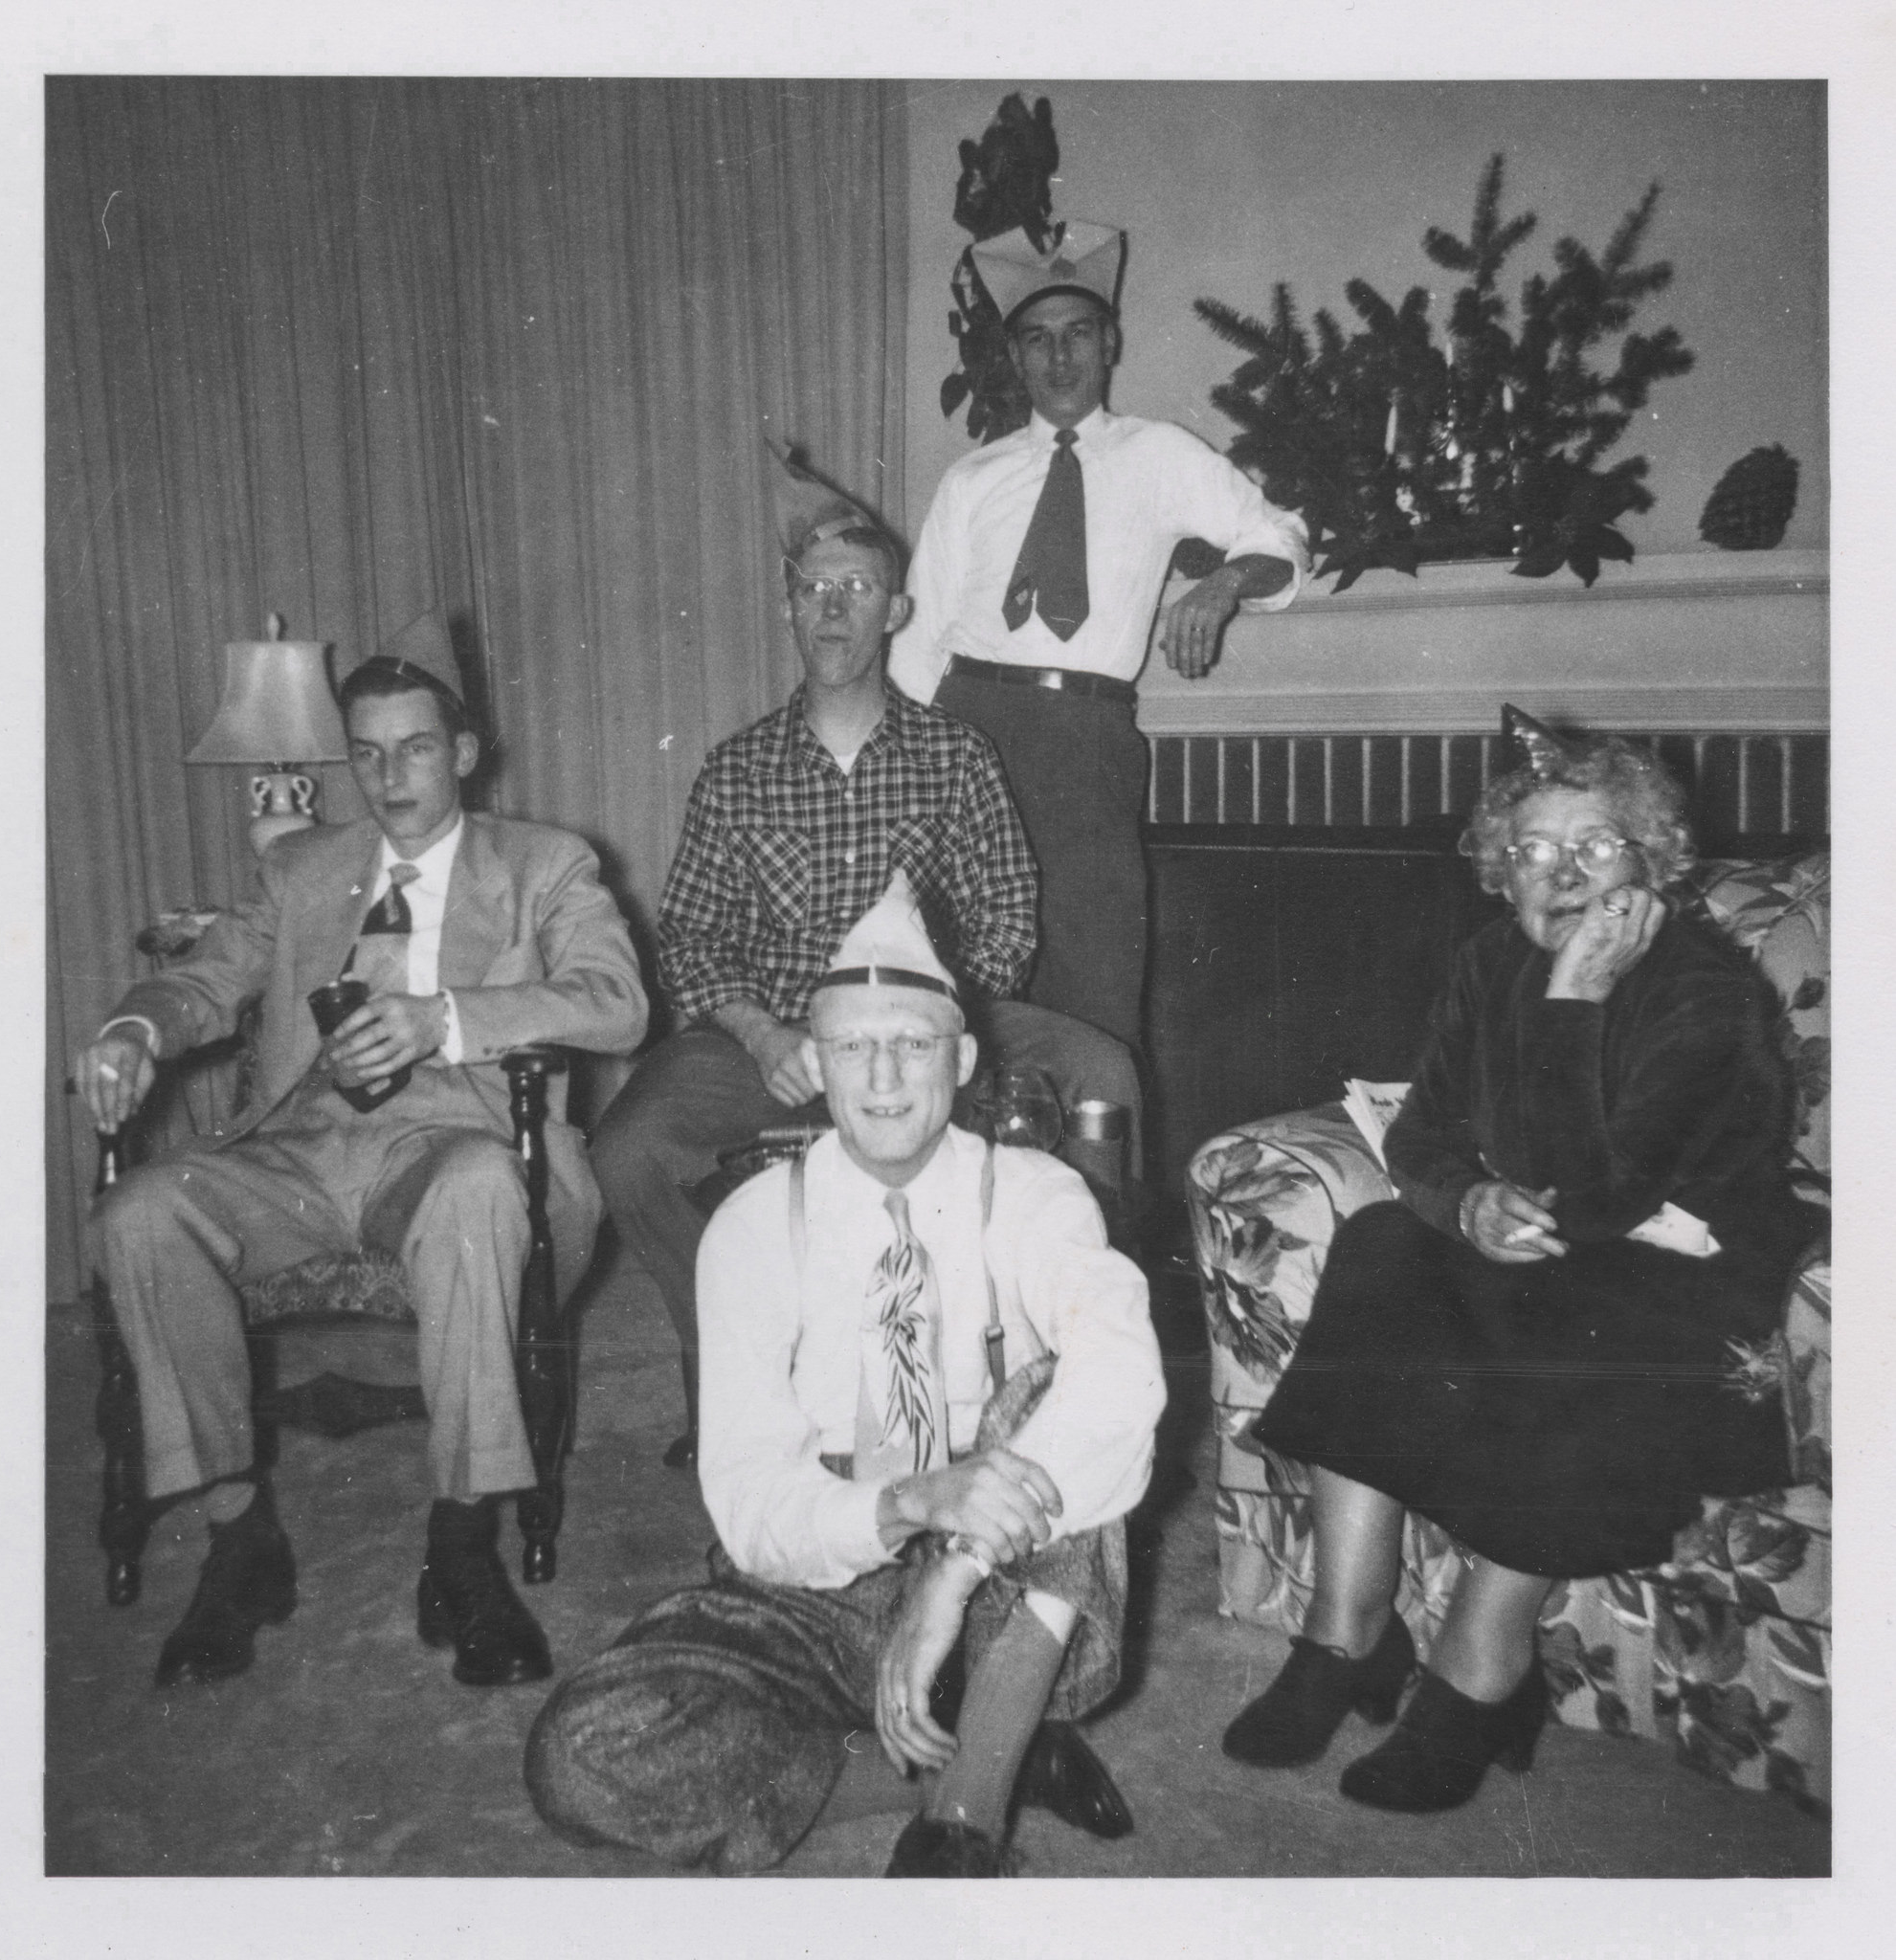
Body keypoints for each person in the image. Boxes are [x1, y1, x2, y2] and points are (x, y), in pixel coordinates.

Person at [1217, 710, 1818, 1812]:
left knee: (1578, 1308)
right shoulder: (1489, 959)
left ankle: (1479, 1669)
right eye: (1534, 850)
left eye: (1596, 846)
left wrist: (1577, 995)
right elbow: (1423, 1136)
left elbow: (1597, 1197)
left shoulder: (1703, 990)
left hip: (1681, 1280)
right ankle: (1345, 1628)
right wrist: (1467, 1200)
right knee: (1383, 1241)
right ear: (1502, 871)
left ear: (1651, 865)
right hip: (1544, 1242)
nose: (1563, 873)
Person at [526, 877, 1166, 1875]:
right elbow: (747, 1499)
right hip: (817, 1582)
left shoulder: (1037, 1194)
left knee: (1053, 1395)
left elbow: (1124, 1371)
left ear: (960, 1057)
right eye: (853, 1046)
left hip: (1003, 1577)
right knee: (579, 1754)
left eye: (911, 1042)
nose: (883, 1077)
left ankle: (964, 1809)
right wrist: (907, 1503)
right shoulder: (753, 1224)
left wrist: (949, 1566)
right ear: (812, 1062)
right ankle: (980, 1740)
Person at [76, 613, 649, 1691]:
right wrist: (136, 1026)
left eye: (417, 747)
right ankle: (242, 1540)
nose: (390, 775)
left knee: (483, 1188)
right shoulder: (306, 869)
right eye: (368, 751)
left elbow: (617, 1005)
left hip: (455, 1137)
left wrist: (445, 1017)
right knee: (139, 1211)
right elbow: (204, 975)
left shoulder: (543, 864)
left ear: (464, 750)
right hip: (301, 1148)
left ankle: (462, 1547)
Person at [591, 449, 1143, 1464]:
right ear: (789, 608)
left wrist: (931, 1028)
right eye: (814, 590)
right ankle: (742, 1384)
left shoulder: (956, 756)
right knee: (628, 1146)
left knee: (1103, 1072)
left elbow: (1007, 921)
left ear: (897, 611)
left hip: (932, 1023)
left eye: (857, 589)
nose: (833, 610)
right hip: (780, 1036)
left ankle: (1060, 1375)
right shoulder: (738, 769)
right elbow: (692, 936)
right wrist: (761, 1032)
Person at [888, 221, 1310, 1050]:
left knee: (1092, 997)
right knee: (959, 996)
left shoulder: (1160, 454)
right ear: (1015, 359)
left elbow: (1280, 536)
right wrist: (903, 785)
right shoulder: (971, 478)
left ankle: (1091, 1178)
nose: (1059, 357)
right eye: (1037, 340)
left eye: (1078, 333)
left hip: (1087, 744)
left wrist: (1221, 584)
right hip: (968, 735)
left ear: (1109, 343)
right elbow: (917, 644)